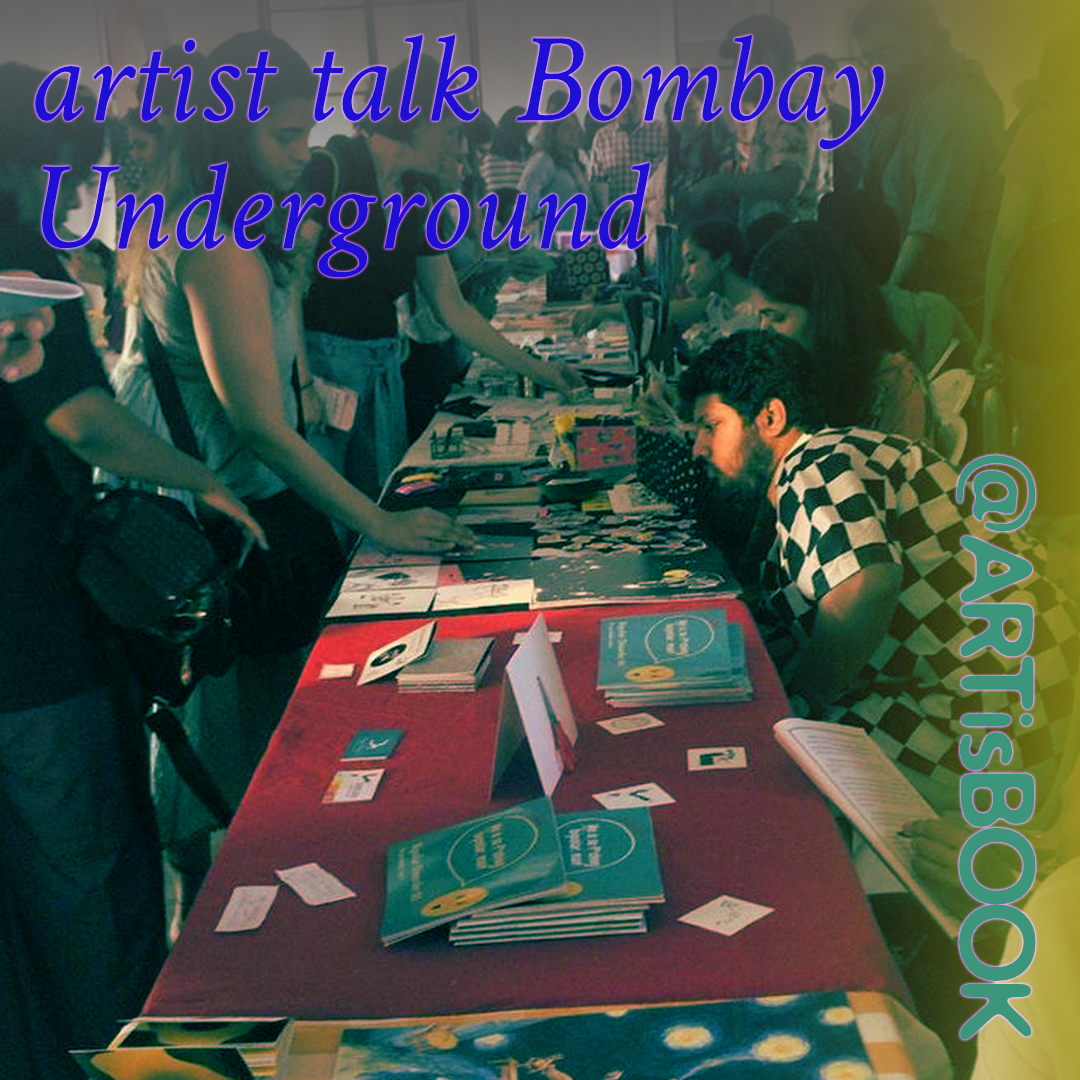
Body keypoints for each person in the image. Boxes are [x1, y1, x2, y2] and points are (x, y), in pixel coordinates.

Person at [0, 61, 267, 1080]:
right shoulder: (15, 252)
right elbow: (77, 415)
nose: (85, 182)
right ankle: (125, 1062)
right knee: (89, 873)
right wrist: (203, 479)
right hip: (32, 633)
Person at [680, 330, 1078, 819]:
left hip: (997, 715)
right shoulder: (843, 455)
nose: (698, 448)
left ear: (770, 417)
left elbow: (863, 585)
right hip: (1019, 690)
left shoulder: (815, 463)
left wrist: (802, 699)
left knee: (770, 760)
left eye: (710, 426)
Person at [301, 53, 583, 500]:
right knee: (330, 505)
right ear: (417, 120)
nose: (458, 148)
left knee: (380, 500)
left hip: (383, 369)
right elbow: (288, 287)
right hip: (322, 377)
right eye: (451, 132)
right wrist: (301, 383)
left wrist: (542, 371)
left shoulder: (417, 192)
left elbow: (452, 307)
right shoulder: (332, 167)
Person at [972, 23, 1080, 522]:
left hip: (1047, 313)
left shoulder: (1040, 128)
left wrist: (989, 333)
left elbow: (1006, 240)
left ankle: (1045, 547)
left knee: (1042, 440)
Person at [853, 0, 1005, 329]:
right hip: (926, 298)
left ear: (925, 41)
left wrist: (885, 307)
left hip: (953, 309)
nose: (877, 68)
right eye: (869, 58)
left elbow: (930, 233)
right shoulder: (913, 97)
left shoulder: (953, 102)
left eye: (886, 52)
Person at [746, 221, 927, 440]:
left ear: (823, 313)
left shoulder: (894, 384)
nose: (764, 331)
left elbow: (902, 461)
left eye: (777, 317)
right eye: (760, 317)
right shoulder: (795, 371)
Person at [690, 16, 831, 228]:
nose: (739, 74)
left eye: (741, 64)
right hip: (781, 235)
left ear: (766, 58)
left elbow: (787, 182)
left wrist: (719, 185)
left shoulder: (794, 96)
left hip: (789, 237)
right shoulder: (783, 97)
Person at [586, 82, 668, 218]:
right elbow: (596, 181)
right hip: (617, 220)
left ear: (643, 102)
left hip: (654, 217)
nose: (628, 107)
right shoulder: (602, 137)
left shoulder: (661, 131)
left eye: (633, 101)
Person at [519, 112, 591, 226]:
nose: (573, 132)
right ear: (553, 132)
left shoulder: (576, 161)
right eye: (567, 128)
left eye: (575, 128)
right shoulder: (544, 160)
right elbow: (525, 200)